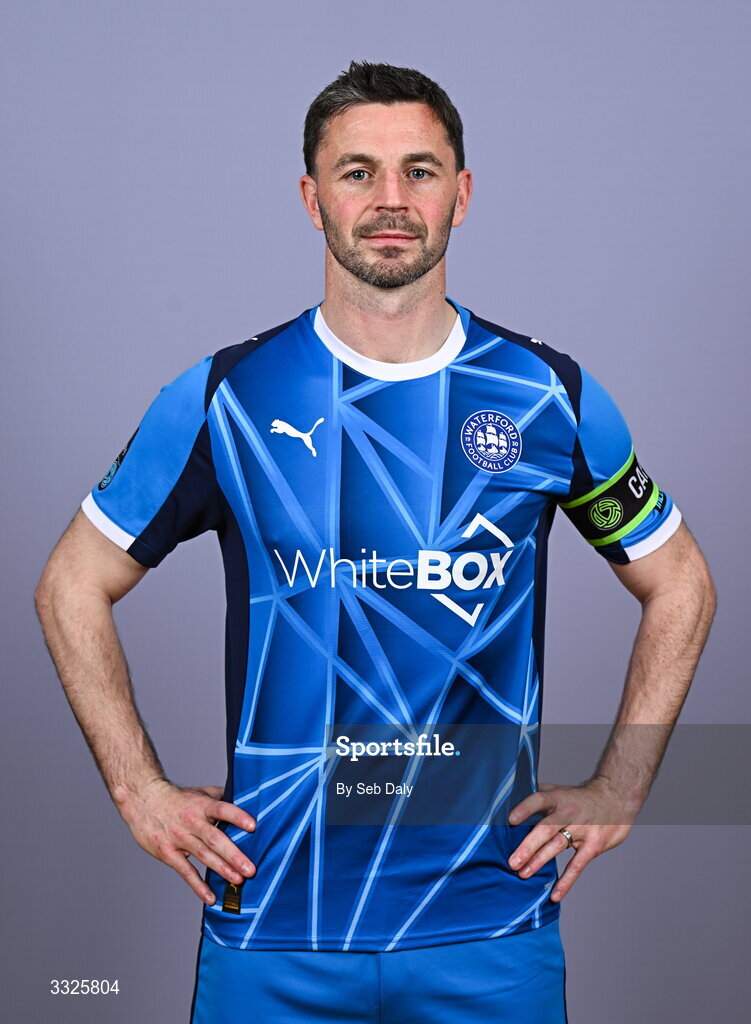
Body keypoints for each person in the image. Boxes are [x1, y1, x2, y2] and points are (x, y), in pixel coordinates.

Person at [35, 60, 716, 1024]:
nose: (389, 199)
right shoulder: (224, 398)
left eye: (419, 170)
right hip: (273, 925)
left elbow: (680, 581)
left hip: (488, 925)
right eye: (357, 172)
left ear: (462, 194)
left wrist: (621, 785)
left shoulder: (545, 395)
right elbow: (71, 582)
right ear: (311, 197)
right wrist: (138, 789)